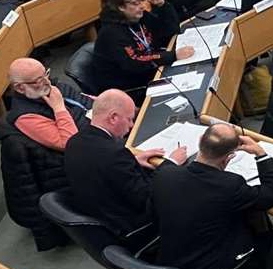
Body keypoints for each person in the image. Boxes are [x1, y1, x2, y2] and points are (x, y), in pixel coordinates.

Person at [152, 121, 273, 269]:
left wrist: (171, 160)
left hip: (171, 264)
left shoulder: (165, 174)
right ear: (228, 158)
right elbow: (271, 193)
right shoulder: (230, 185)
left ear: (200, 141)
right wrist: (261, 154)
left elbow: (166, 167)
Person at [63, 88, 185, 237]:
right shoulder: (115, 153)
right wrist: (170, 163)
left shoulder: (74, 141)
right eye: (129, 119)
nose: (132, 125)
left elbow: (105, 169)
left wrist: (132, 161)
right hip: (135, 226)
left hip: (105, 215)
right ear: (113, 118)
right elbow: (148, 198)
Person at [0, 58, 86, 251]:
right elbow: (69, 143)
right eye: (38, 80)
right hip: (74, 169)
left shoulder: (51, 88)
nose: (47, 81)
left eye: (45, 74)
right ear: (20, 88)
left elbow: (85, 104)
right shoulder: (26, 117)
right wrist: (59, 108)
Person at [91, 0, 193, 100]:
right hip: (129, 91)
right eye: (135, 3)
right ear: (121, 6)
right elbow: (135, 61)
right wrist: (173, 56)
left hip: (150, 73)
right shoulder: (111, 33)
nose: (141, 6)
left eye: (142, 0)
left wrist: (162, 6)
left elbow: (170, 31)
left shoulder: (138, 16)